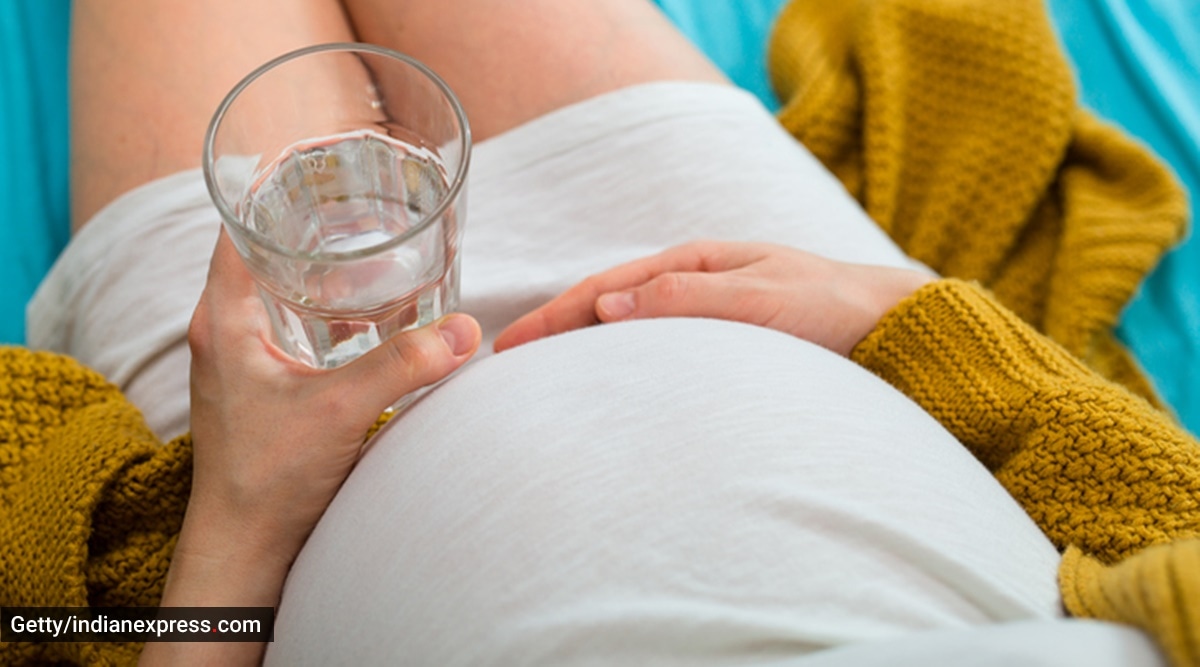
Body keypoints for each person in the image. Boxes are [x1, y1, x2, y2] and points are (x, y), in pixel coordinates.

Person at [21, 0, 1194, 665]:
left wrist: (230, 531)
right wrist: (903, 319)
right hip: (747, 280)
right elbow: (1169, 524)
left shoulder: (240, 500)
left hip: (265, 467)